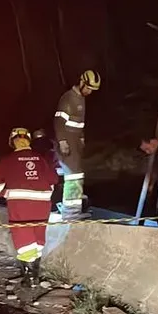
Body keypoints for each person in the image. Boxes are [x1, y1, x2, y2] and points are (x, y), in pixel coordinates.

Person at [0, 127, 59, 286]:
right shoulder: (41, 159)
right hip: (43, 205)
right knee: (37, 236)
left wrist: (2, 192)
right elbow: (53, 179)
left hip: (21, 205)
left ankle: (30, 278)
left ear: (13, 142)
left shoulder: (8, 160)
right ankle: (35, 273)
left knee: (23, 238)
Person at [52, 69, 100, 218]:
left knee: (76, 174)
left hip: (75, 143)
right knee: (73, 175)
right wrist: (62, 142)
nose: (89, 92)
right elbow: (59, 122)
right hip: (67, 142)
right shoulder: (68, 98)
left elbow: (79, 124)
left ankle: (72, 207)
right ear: (81, 82)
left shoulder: (81, 99)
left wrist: (81, 138)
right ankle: (70, 212)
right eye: (88, 88)